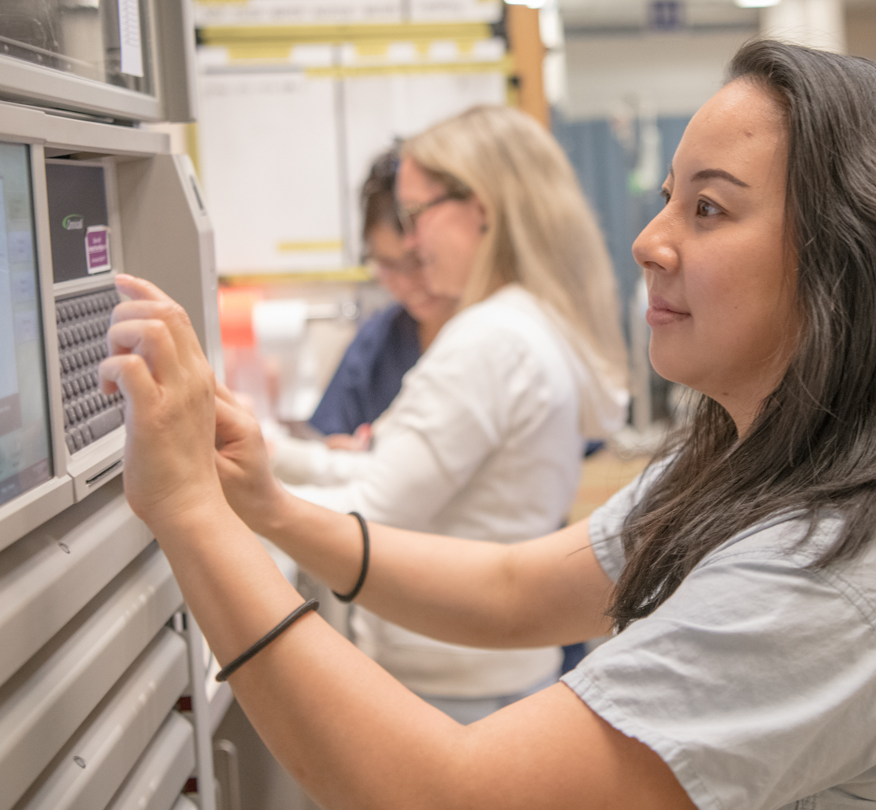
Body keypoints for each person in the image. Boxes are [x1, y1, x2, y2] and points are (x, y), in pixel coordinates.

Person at [103, 41, 876, 809]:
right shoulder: (756, 464)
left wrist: (190, 512)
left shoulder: (848, 572)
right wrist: (268, 507)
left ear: (852, 260)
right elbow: (513, 587)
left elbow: (449, 795)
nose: (650, 241)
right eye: (669, 200)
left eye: (708, 210)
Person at [267, 106, 630, 723]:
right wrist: (267, 451)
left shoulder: (489, 340)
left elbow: (368, 515)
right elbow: (383, 474)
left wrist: (234, 497)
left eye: (414, 217)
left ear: (481, 207)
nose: (409, 244)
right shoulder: (532, 323)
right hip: (491, 670)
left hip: (453, 681)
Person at [298, 144, 455, 451]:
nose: (407, 282)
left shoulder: (494, 336)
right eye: (386, 264)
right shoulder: (380, 342)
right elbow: (326, 442)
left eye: (418, 261)